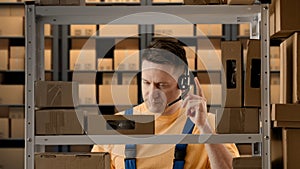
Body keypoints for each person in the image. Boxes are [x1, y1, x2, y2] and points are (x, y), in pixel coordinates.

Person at [92, 38, 239, 169]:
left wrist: (205, 129)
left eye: (161, 85)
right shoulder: (117, 126)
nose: (151, 93)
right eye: (146, 82)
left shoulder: (209, 124)